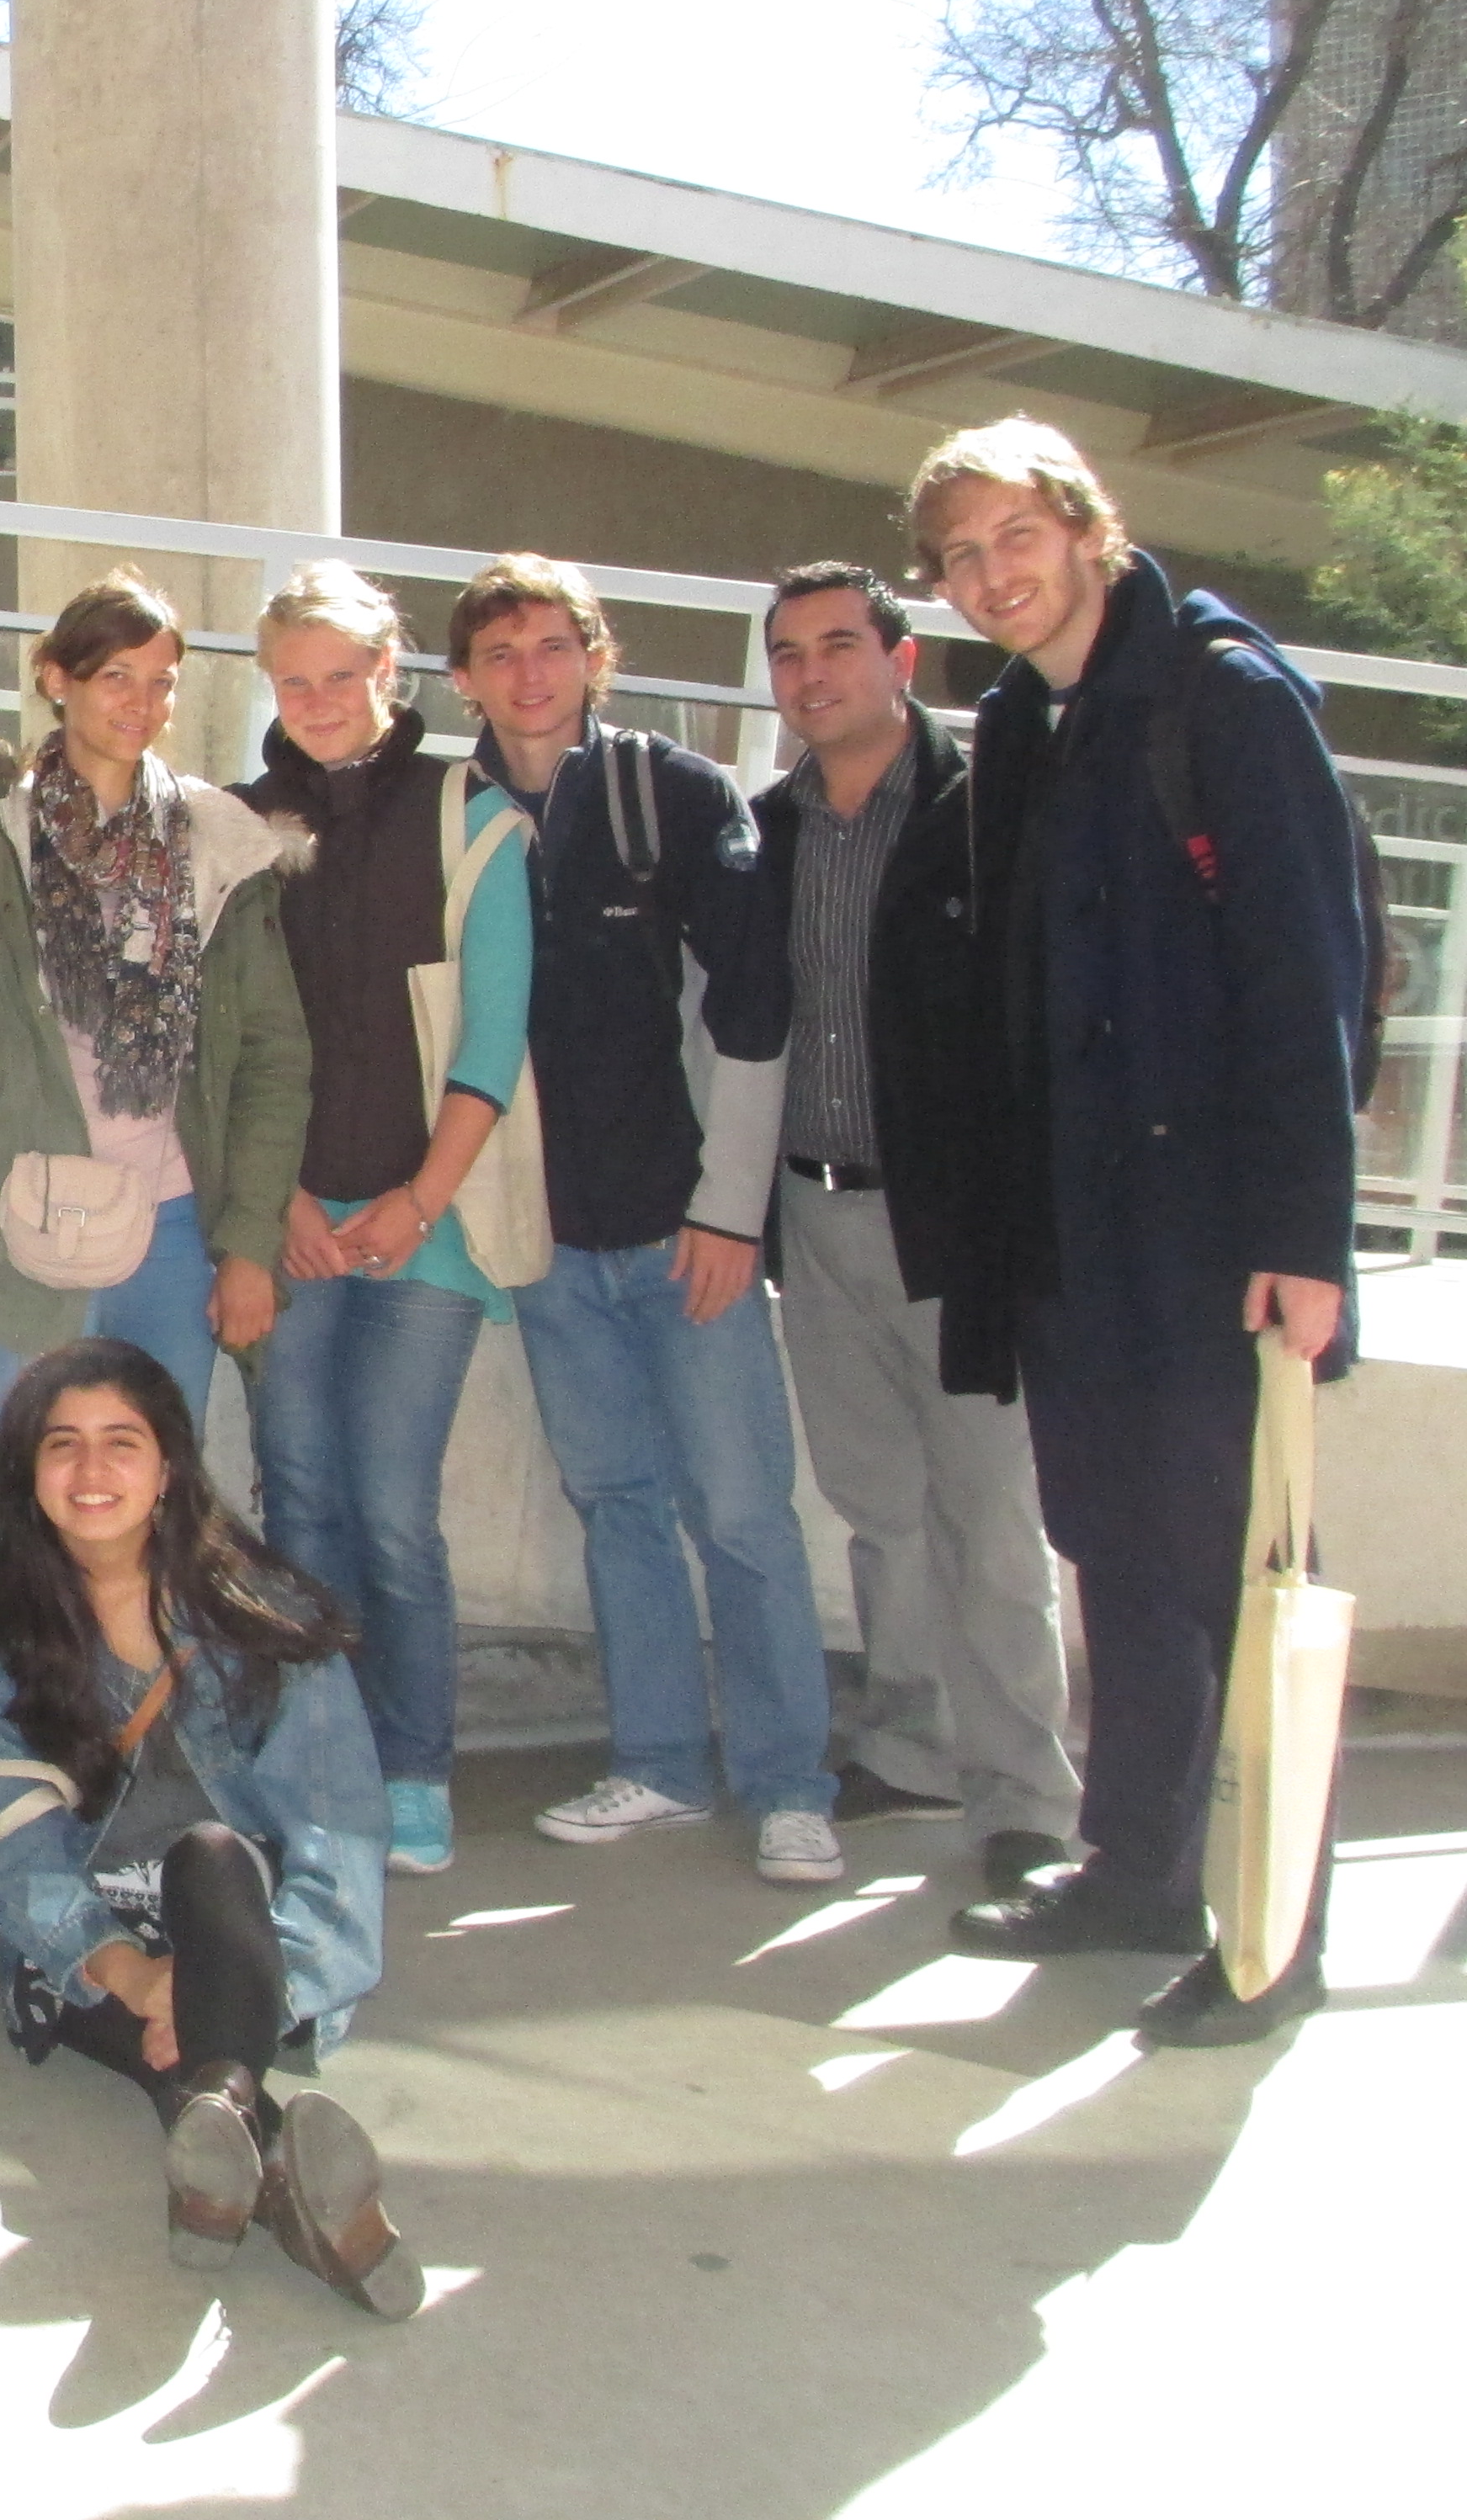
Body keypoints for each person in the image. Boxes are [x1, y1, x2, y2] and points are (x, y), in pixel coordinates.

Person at [920, 420, 1369, 2045]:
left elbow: (1308, 973)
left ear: (1082, 525)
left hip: (1209, 1242)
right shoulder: (1019, 720)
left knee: (1229, 1579)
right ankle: (1135, 1871)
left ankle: (1273, 1934)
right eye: (958, 556)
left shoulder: (1218, 696)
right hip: (1075, 1237)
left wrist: (1302, 1238)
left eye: (1012, 536)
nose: (990, 575)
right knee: (1113, 1553)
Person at [452, 554, 842, 1886]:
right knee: (617, 1503)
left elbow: (755, 1007)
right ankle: (662, 1764)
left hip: (686, 1236)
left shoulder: (675, 794)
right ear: (464, 679)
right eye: (501, 653)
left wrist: (731, 1213)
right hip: (548, 1241)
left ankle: (790, 1786)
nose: (530, 675)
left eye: (552, 646)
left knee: (740, 1509)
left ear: (595, 658)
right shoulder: (455, 811)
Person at [0, 1341, 413, 2315]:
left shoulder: (263, 1614)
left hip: (238, 1924)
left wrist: (269, 1985)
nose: (92, 1469)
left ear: (169, 1471)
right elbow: (1, 1841)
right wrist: (131, 1972)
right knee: (187, 2043)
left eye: (122, 1442)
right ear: (27, 1474)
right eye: (62, 1444)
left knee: (212, 1853)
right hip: (82, 1939)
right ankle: (250, 2128)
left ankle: (219, 2142)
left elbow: (339, 1832)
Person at [756, 562, 1081, 1891]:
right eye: (789, 654)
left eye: (839, 645)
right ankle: (910, 1746)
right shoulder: (771, 830)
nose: (813, 674)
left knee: (989, 1517)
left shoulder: (987, 811)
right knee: (877, 1504)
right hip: (813, 1213)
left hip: (955, 1222)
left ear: (898, 659)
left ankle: (1025, 1798)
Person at [234, 564, 534, 1881]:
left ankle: (413, 1769)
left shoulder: (470, 814)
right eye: (291, 681)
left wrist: (419, 1201)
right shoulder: (243, 827)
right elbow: (227, 1042)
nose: (315, 702)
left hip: (434, 1223)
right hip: (291, 1218)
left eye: (339, 676)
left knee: (393, 1509)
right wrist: (281, 1200)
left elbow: (494, 1036)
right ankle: (316, 1761)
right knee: (299, 1500)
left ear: (388, 671)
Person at [0, 568, 311, 1425]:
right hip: (21, 1216)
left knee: (157, 1475)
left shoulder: (219, 847)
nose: (143, 703)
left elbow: (274, 1059)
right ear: (58, 678)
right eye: (117, 675)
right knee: (31, 1474)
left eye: (162, 681)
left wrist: (248, 1245)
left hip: (176, 1225)